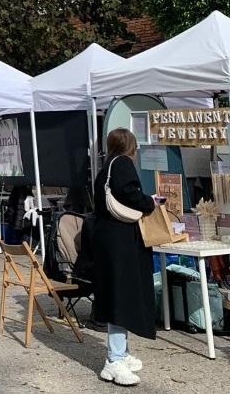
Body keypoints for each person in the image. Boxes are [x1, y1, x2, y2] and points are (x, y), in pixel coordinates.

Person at [92, 128, 158, 386]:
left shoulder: (106, 165)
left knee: (117, 293)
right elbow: (130, 194)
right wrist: (150, 202)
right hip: (119, 239)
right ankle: (115, 358)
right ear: (130, 145)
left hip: (107, 237)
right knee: (121, 295)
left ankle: (122, 352)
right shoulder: (122, 164)